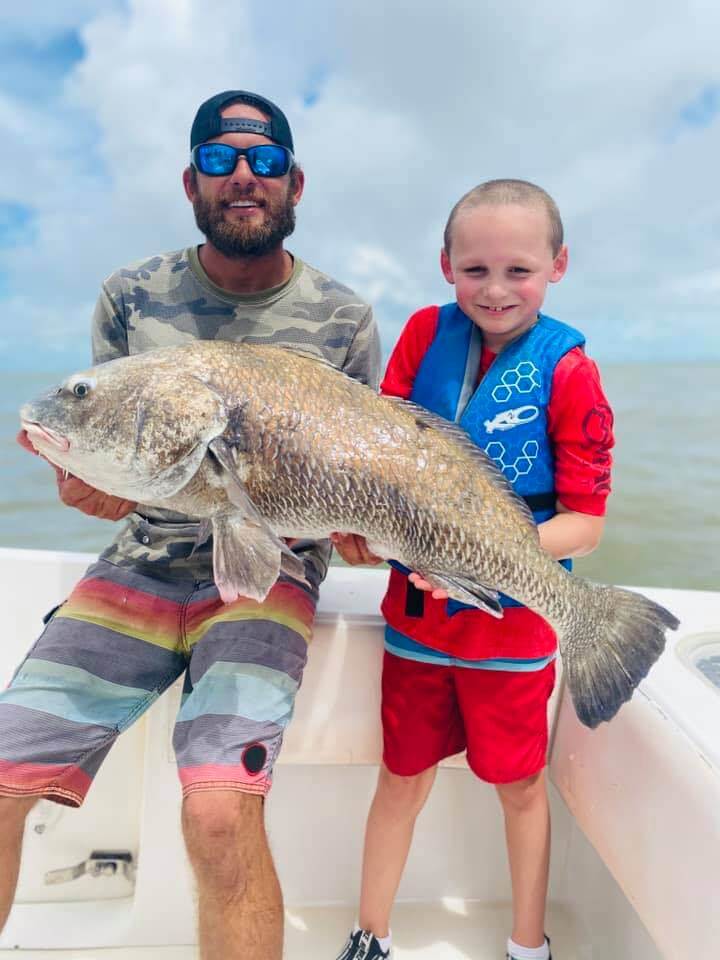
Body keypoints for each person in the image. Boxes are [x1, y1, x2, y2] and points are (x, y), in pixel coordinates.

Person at [2, 89, 380, 960]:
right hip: (139, 563)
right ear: (190, 181)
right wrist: (99, 487)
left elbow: (359, 463)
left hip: (271, 567)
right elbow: (118, 446)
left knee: (217, 811)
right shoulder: (130, 296)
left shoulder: (346, 318)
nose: (243, 176)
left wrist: (358, 529)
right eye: (220, 159)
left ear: (294, 182)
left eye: (263, 160)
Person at [332, 179, 614, 960]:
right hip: (415, 624)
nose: (495, 289)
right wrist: (356, 525)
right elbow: (377, 452)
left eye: (518, 270)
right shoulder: (425, 333)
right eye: (475, 270)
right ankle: (370, 935)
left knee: (520, 787)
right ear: (446, 267)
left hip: (515, 632)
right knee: (402, 777)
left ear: (558, 266)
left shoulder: (571, 371)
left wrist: (480, 563)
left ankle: (528, 945)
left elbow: (584, 527)